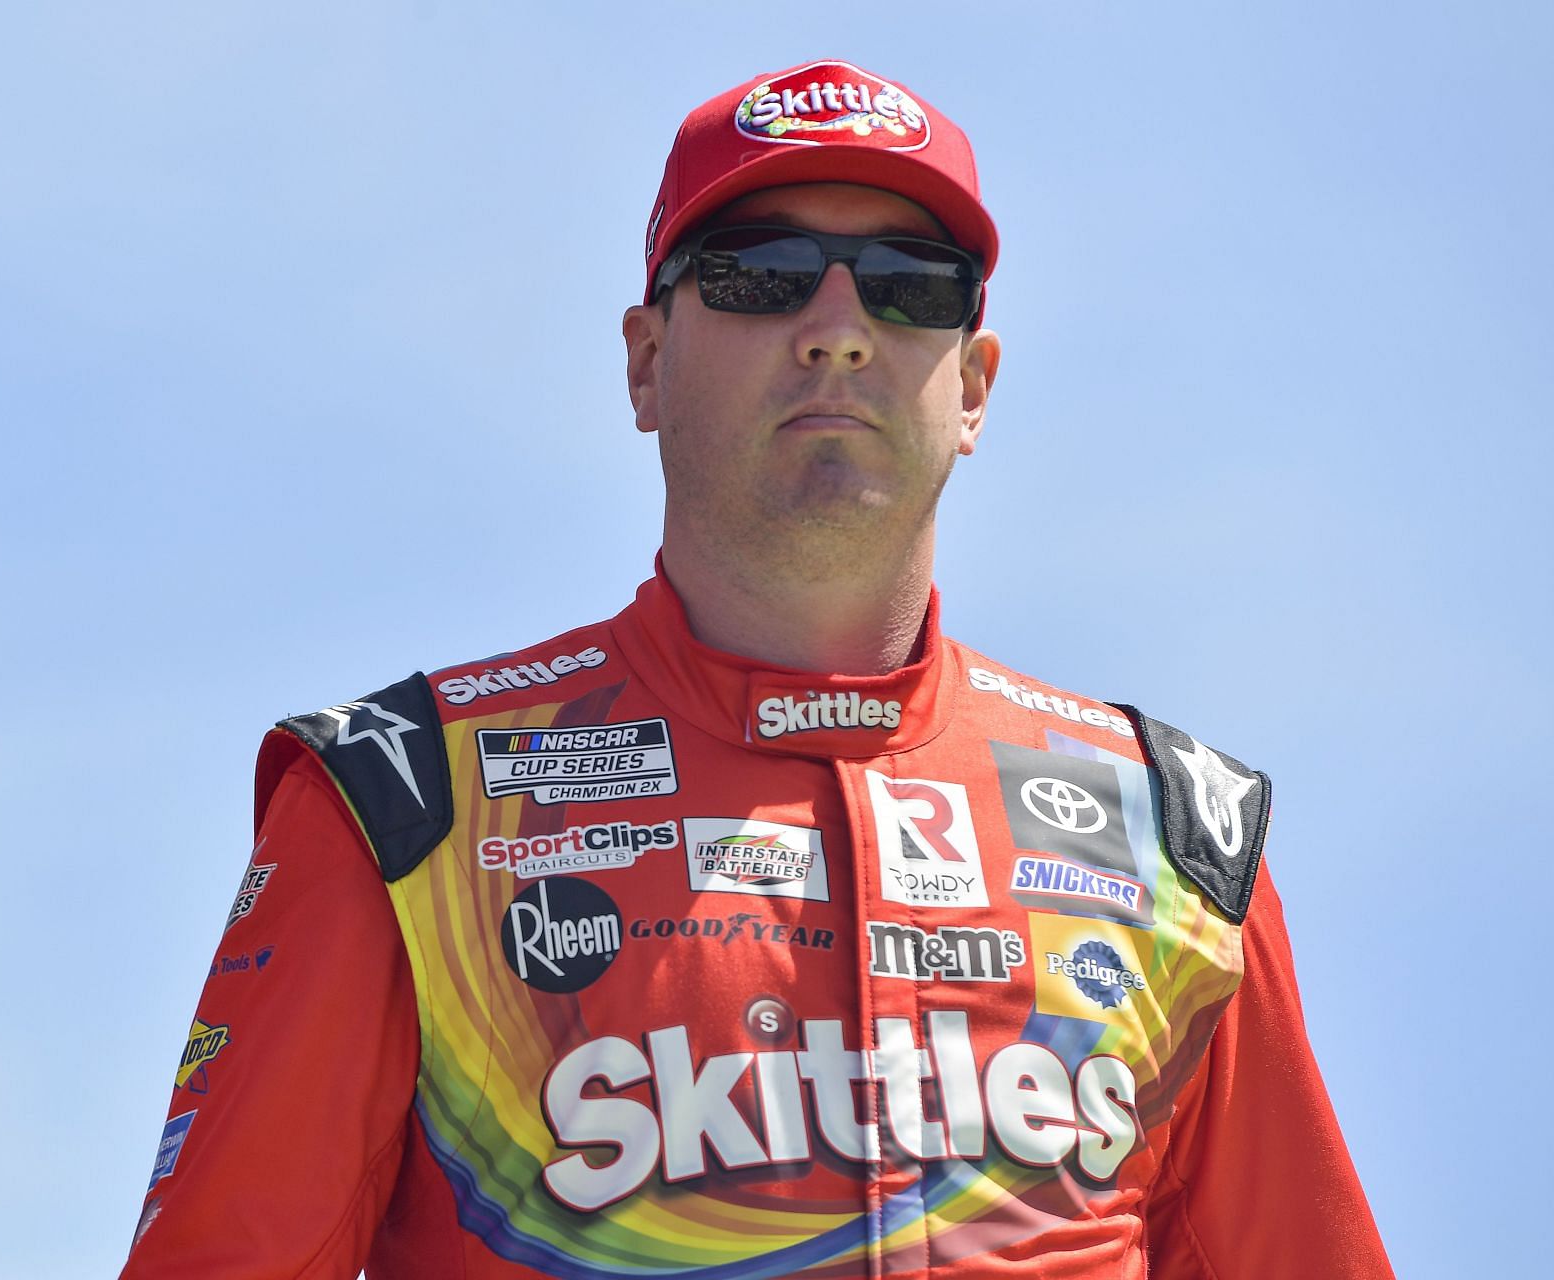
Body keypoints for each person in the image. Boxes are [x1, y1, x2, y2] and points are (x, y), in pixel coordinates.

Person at [119, 59, 1393, 1279]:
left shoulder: (1175, 835)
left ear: (976, 387)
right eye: (759, 275)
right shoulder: (408, 804)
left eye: (910, 285)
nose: (838, 328)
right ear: (644, 361)